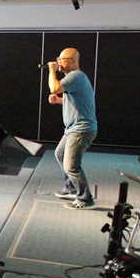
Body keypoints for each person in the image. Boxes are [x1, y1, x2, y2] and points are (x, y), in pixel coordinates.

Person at [48, 48, 97, 210]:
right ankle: (70, 188)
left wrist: (51, 70)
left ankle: (85, 199)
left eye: (62, 59)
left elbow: (54, 88)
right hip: (73, 129)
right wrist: (59, 101)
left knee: (71, 166)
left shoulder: (75, 76)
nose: (59, 62)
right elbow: (79, 101)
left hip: (81, 129)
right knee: (60, 154)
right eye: (58, 59)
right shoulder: (74, 78)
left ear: (74, 61)